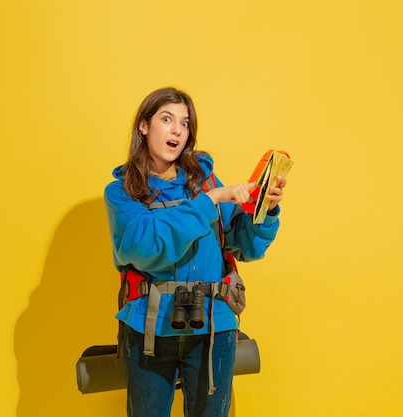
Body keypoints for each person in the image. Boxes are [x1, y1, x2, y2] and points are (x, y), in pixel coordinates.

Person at [104, 87, 287, 417]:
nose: (177, 130)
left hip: (213, 327)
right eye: (166, 119)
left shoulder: (204, 182)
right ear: (144, 126)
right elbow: (148, 247)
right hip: (150, 326)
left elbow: (243, 245)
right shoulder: (122, 192)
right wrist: (211, 201)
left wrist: (265, 210)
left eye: (185, 123)